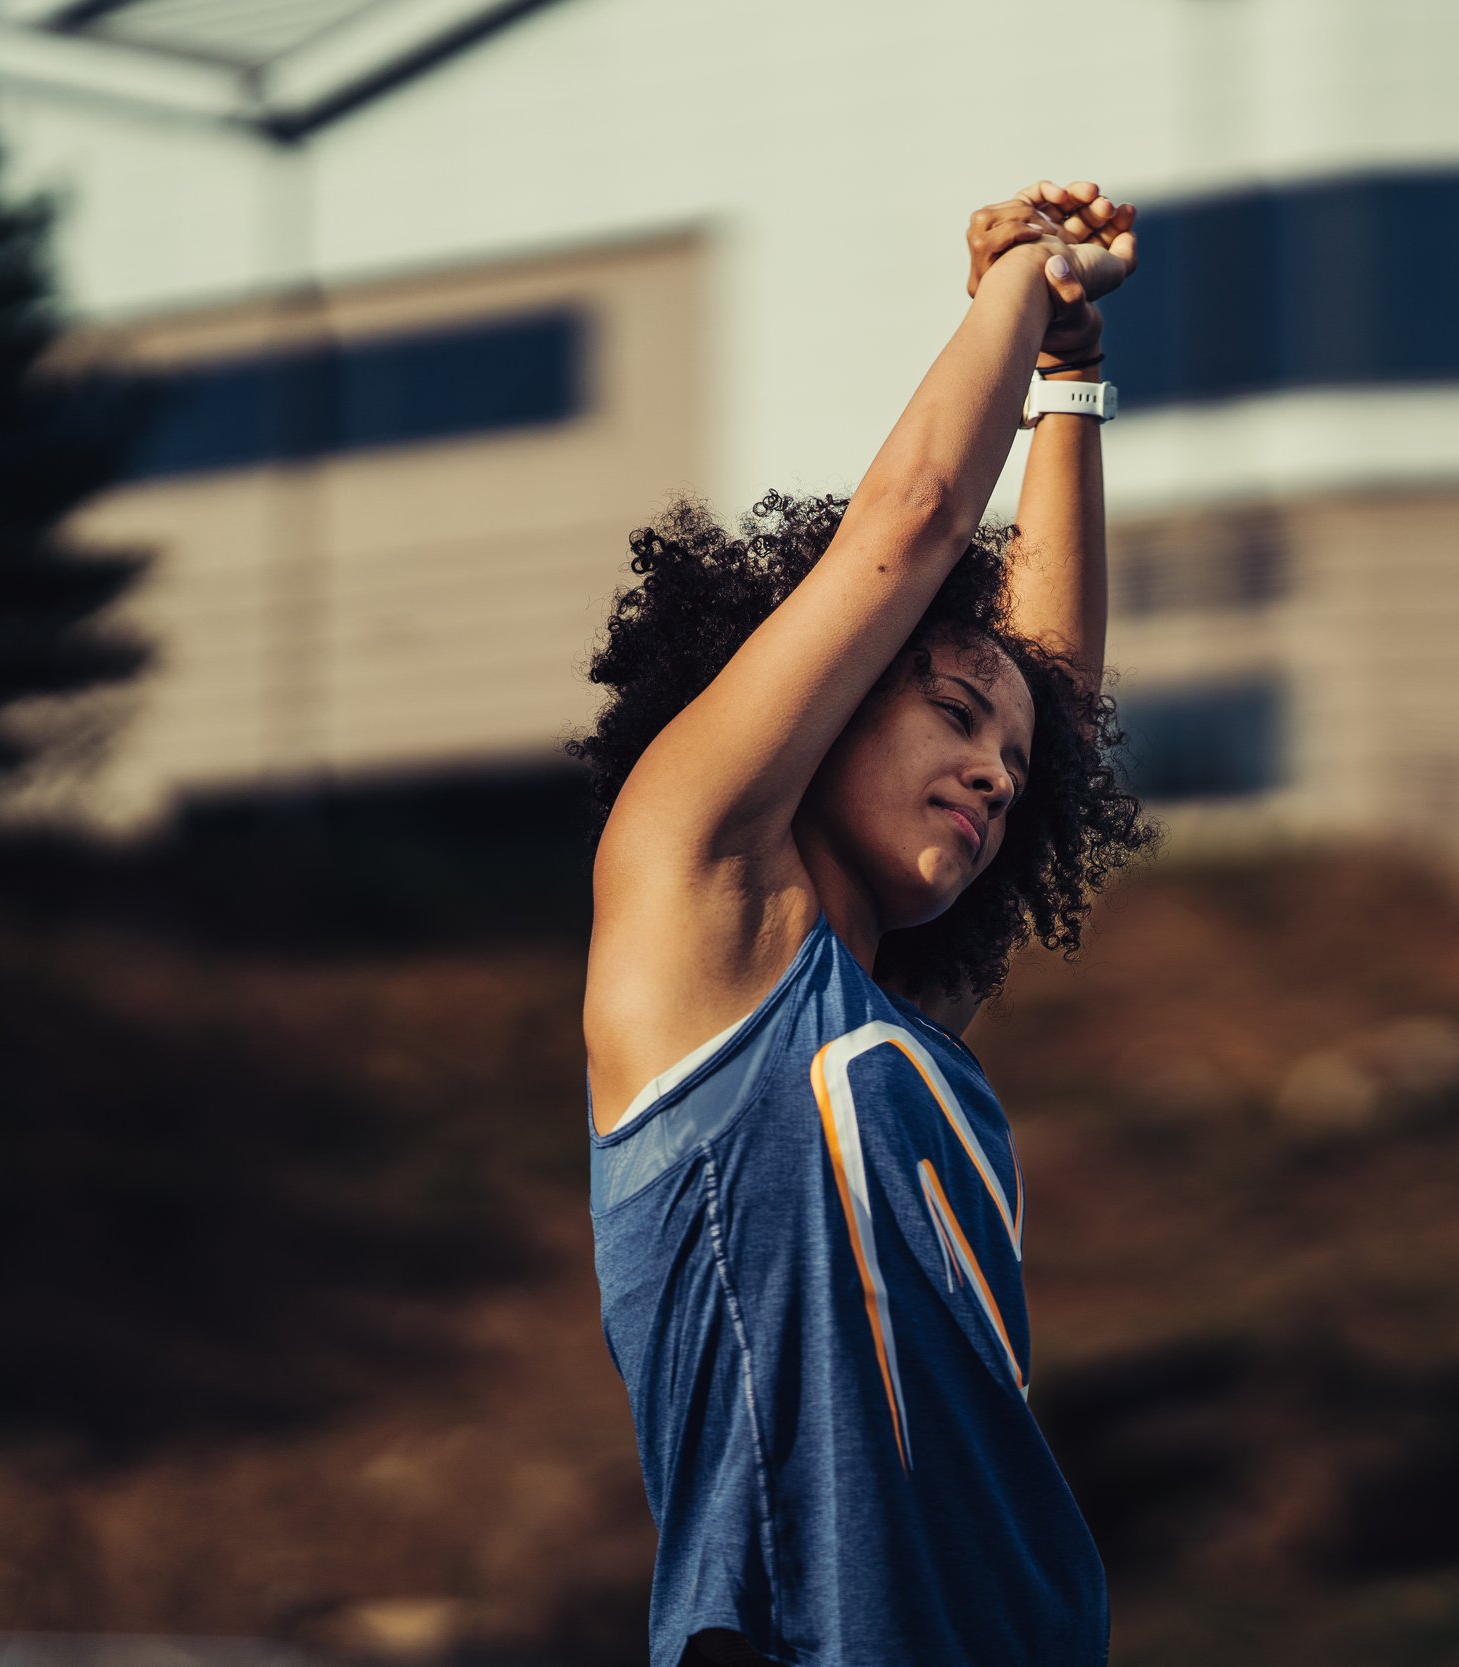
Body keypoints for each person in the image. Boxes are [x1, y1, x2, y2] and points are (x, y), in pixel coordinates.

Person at [567, 182, 1158, 1667]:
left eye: (1011, 775)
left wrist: (1067, 389)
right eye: (950, 713)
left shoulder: (903, 1014)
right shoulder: (696, 906)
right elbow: (906, 530)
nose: (991, 773)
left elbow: (1059, 706)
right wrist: (1019, 285)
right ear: (824, 702)